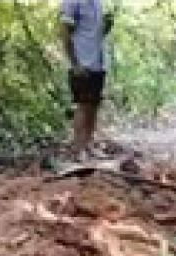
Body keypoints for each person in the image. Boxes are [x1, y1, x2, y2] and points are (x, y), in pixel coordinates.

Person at [60, 0, 114, 160]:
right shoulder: (72, 2)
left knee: (94, 105)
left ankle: (89, 145)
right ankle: (78, 149)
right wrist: (75, 64)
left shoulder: (98, 3)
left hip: (98, 62)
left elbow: (95, 34)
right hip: (82, 62)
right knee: (82, 105)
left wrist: (106, 27)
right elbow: (64, 33)